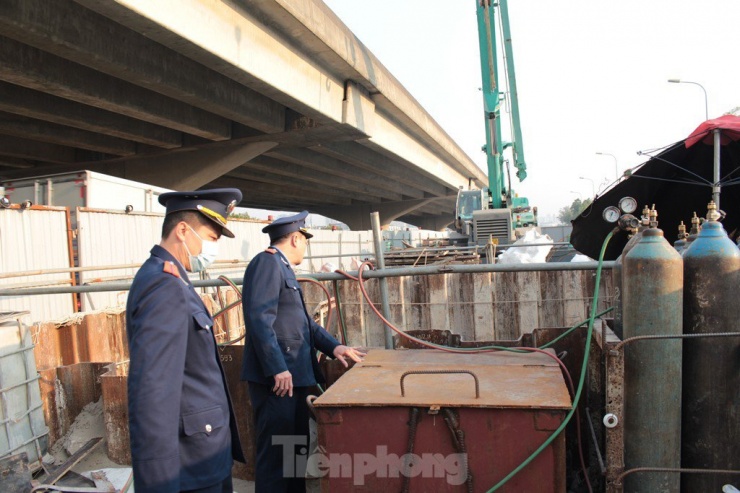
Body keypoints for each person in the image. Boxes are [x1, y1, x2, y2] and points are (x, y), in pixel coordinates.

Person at [126, 188, 245, 493]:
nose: (213, 248)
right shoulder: (163, 286)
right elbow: (154, 393)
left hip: (205, 455)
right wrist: (158, 483)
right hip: (191, 466)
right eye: (212, 238)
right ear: (182, 231)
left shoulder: (173, 278)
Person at [241, 211, 365, 492]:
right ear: (296, 238)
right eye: (305, 241)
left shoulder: (283, 269)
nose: (305, 247)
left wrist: (336, 347)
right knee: (276, 459)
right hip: (278, 382)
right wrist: (276, 367)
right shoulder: (267, 263)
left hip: (293, 379)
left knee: (293, 456)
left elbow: (305, 325)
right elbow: (259, 319)